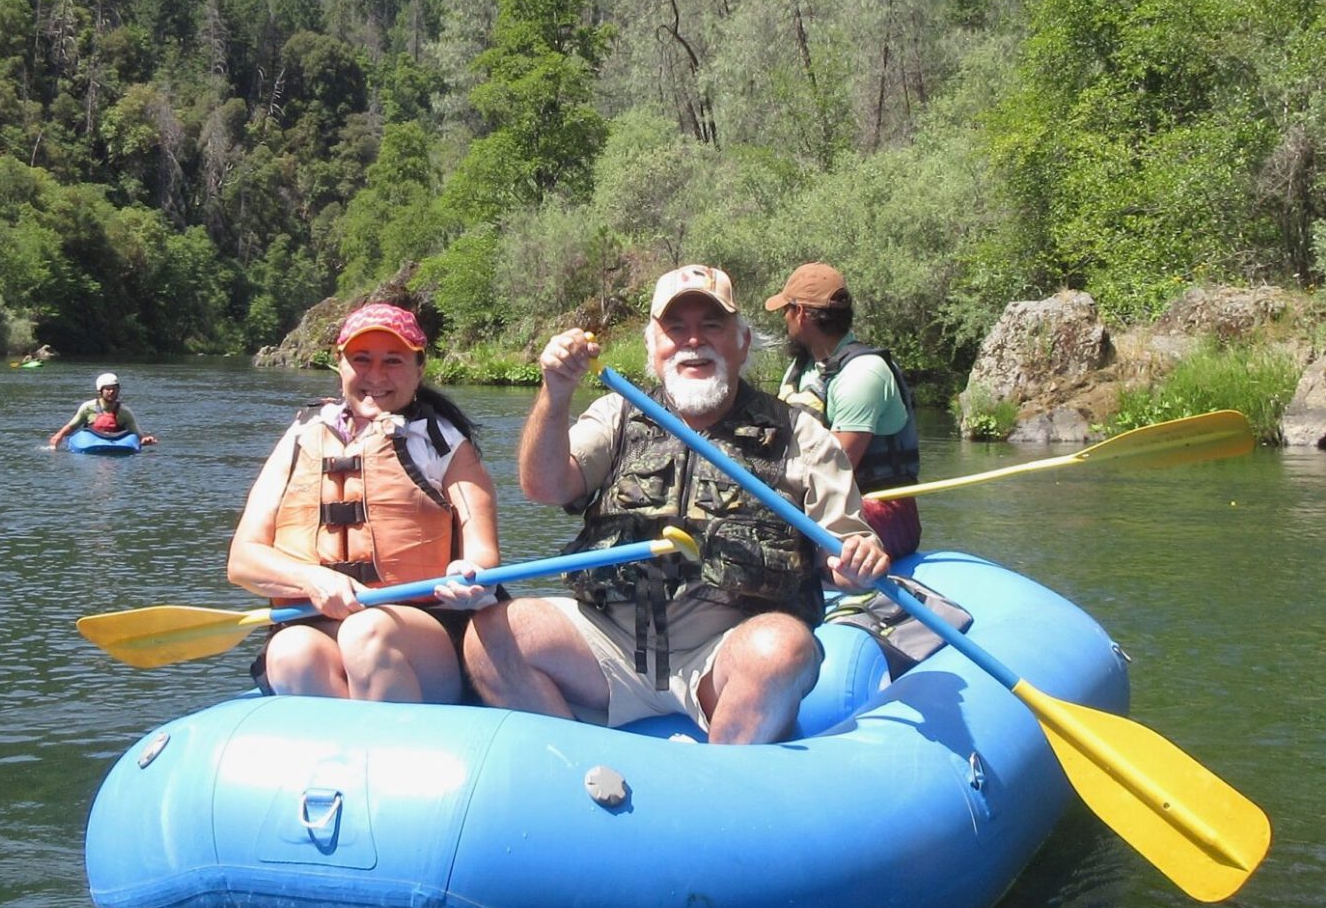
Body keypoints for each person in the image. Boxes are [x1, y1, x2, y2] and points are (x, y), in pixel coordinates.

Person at [462, 263, 887, 744]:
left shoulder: (800, 433)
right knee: (492, 633)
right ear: (653, 346)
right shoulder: (617, 414)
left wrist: (857, 558)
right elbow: (544, 487)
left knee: (782, 647)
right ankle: (573, 768)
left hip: (724, 652)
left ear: (742, 341)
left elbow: (845, 548)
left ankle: (718, 790)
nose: (693, 341)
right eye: (676, 328)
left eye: (712, 326)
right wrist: (555, 395)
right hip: (610, 641)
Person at [226, 297, 502, 702]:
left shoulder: (444, 445)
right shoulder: (302, 437)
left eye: (393, 360)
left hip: (422, 633)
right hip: (318, 626)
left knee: (365, 632)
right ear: (338, 363)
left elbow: (483, 554)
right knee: (289, 653)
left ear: (419, 368)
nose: (376, 375)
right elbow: (243, 561)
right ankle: (349, 757)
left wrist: (470, 573)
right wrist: (313, 579)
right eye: (361, 359)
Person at [766, 262, 923, 562]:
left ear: (800, 313)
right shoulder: (802, 369)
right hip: (813, 502)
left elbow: (836, 466)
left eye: (786, 311)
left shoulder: (863, 374)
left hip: (878, 513)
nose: (784, 321)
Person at [49, 372, 157, 448]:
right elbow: (72, 426)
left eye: (114, 389)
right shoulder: (87, 407)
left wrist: (145, 440)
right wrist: (59, 435)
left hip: (118, 442)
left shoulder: (125, 412)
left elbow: (138, 435)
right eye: (107, 389)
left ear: (118, 390)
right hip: (91, 440)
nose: (111, 392)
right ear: (100, 391)